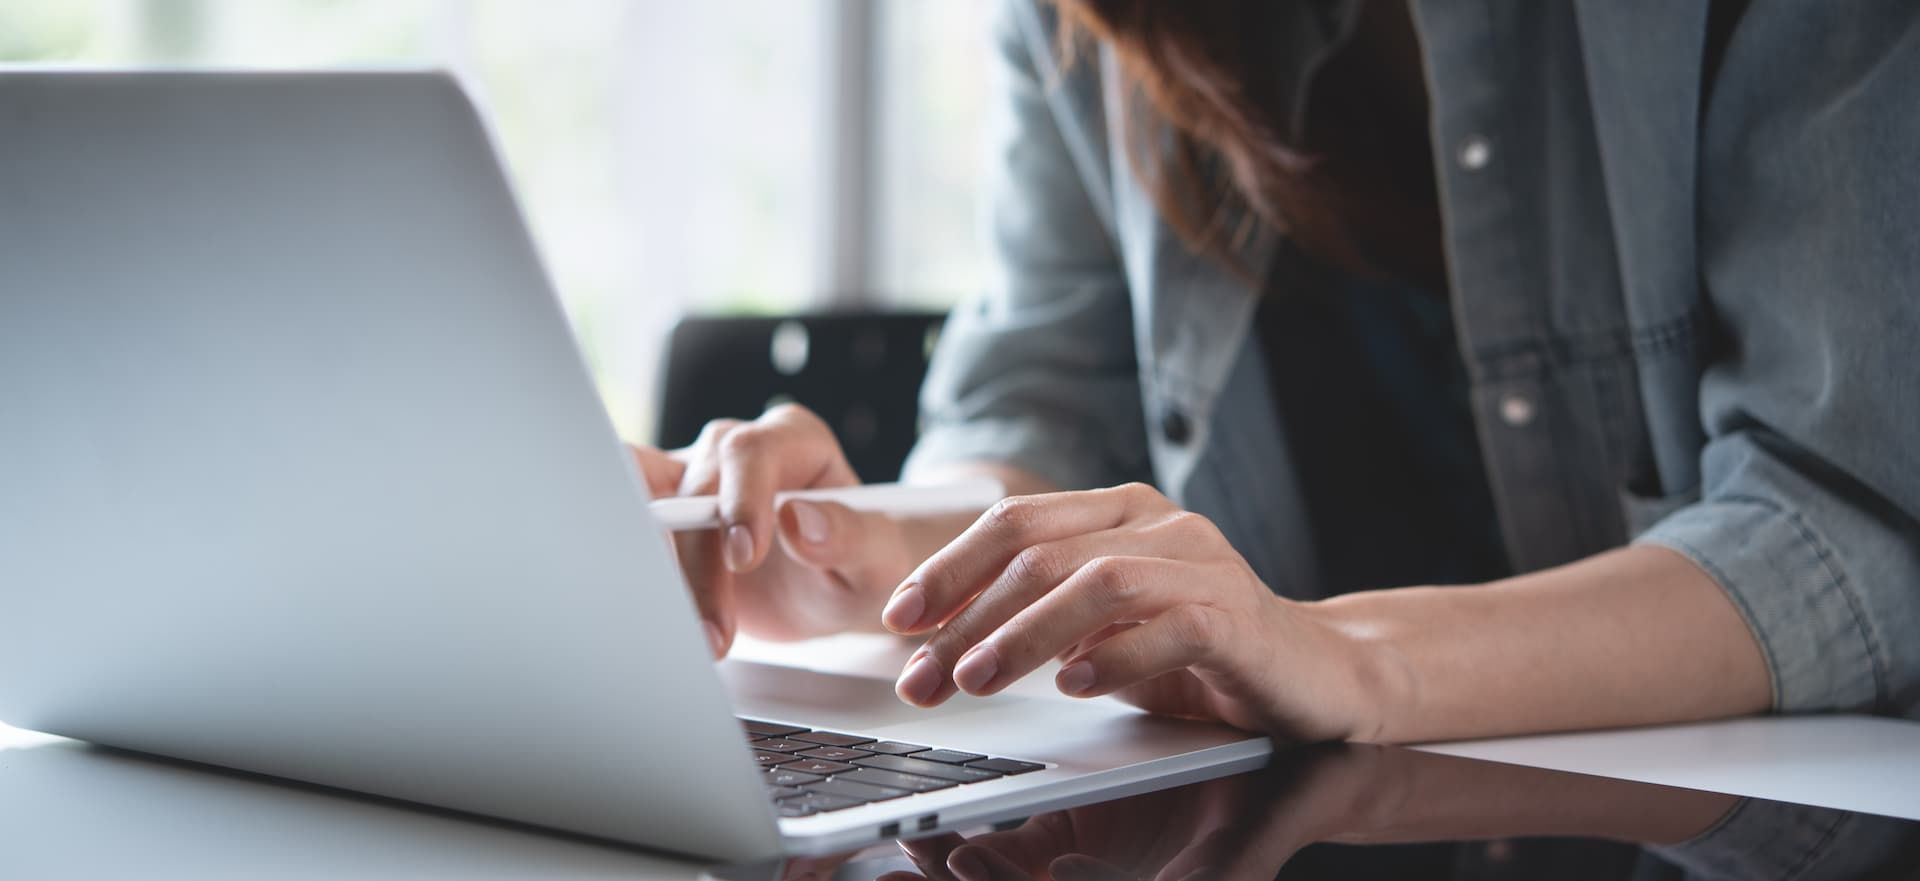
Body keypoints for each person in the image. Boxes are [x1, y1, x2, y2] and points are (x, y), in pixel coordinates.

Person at [631, 0, 1920, 744]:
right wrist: (862, 550)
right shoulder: (1075, 21)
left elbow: (1843, 517)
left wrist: (1351, 656)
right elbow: (1044, 405)